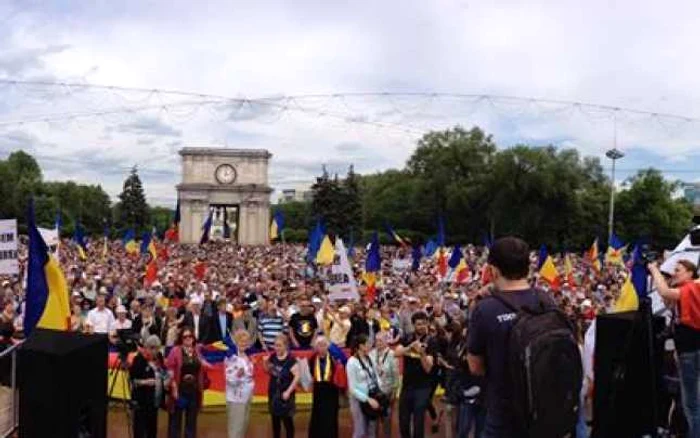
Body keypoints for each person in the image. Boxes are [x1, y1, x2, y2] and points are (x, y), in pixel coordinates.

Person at [467, 236, 554, 438]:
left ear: (494, 270)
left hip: (504, 416)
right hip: (545, 412)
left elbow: (475, 367)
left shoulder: (485, 309)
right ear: (527, 267)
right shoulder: (545, 300)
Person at [650, 260, 700, 437]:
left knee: (692, 404)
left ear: (690, 273)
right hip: (687, 350)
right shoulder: (687, 290)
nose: (674, 272)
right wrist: (668, 281)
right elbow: (668, 301)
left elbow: (665, 292)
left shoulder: (692, 287)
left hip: (691, 351)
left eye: (678, 270)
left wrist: (654, 269)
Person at [394, 311, 437, 438]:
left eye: (424, 323)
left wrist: (422, 353)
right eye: (419, 324)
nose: (422, 326)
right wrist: (410, 347)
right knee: (403, 423)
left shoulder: (432, 341)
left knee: (418, 424)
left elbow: (429, 368)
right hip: (407, 386)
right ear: (413, 325)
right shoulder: (407, 337)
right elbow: (396, 353)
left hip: (423, 387)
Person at [166, 327, 210, 438]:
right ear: (181, 338)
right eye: (185, 337)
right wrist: (174, 388)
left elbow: (203, 366)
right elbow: (170, 371)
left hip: (194, 391)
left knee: (191, 421)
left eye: (190, 336)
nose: (188, 339)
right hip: (179, 390)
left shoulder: (197, 351)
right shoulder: (175, 351)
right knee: (175, 422)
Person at [130, 335, 168, 438]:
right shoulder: (139, 359)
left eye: (156, 348)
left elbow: (163, 371)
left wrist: (166, 379)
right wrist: (145, 382)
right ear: (146, 347)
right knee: (140, 430)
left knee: (152, 429)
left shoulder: (159, 357)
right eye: (151, 348)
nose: (154, 351)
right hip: (141, 401)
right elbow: (132, 381)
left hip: (154, 400)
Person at [264, 333, 300, 438]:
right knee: (275, 421)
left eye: (279, 345)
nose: (277, 348)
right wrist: (265, 363)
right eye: (275, 345)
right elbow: (268, 371)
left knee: (287, 421)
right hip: (274, 392)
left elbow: (297, 377)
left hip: (285, 393)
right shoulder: (273, 357)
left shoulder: (291, 360)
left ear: (285, 346)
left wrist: (288, 391)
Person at [347, 333, 383, 438]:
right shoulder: (352, 362)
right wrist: (367, 399)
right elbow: (352, 388)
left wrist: (380, 391)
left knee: (372, 429)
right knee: (360, 431)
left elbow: (376, 377)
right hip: (359, 400)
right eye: (368, 344)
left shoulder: (370, 358)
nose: (370, 346)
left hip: (373, 397)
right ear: (361, 346)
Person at [308, 336, 341, 438]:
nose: (321, 348)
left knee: (330, 417)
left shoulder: (333, 358)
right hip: (318, 392)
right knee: (317, 416)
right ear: (316, 347)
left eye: (324, 345)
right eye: (319, 345)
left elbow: (339, 375)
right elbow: (310, 374)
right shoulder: (313, 359)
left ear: (327, 346)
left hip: (331, 391)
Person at [225, 329, 255, 438]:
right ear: (236, 342)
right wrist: (238, 375)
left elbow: (250, 376)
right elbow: (230, 379)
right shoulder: (231, 358)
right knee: (235, 428)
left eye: (246, 341)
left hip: (247, 397)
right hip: (236, 398)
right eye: (241, 341)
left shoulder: (248, 357)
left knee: (243, 425)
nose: (244, 344)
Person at [370, 331, 400, 438]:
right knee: (373, 422)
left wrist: (394, 392)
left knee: (386, 420)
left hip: (387, 392)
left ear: (386, 341)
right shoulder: (371, 353)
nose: (378, 343)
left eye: (381, 341)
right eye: (376, 341)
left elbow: (396, 376)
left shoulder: (392, 355)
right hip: (374, 393)